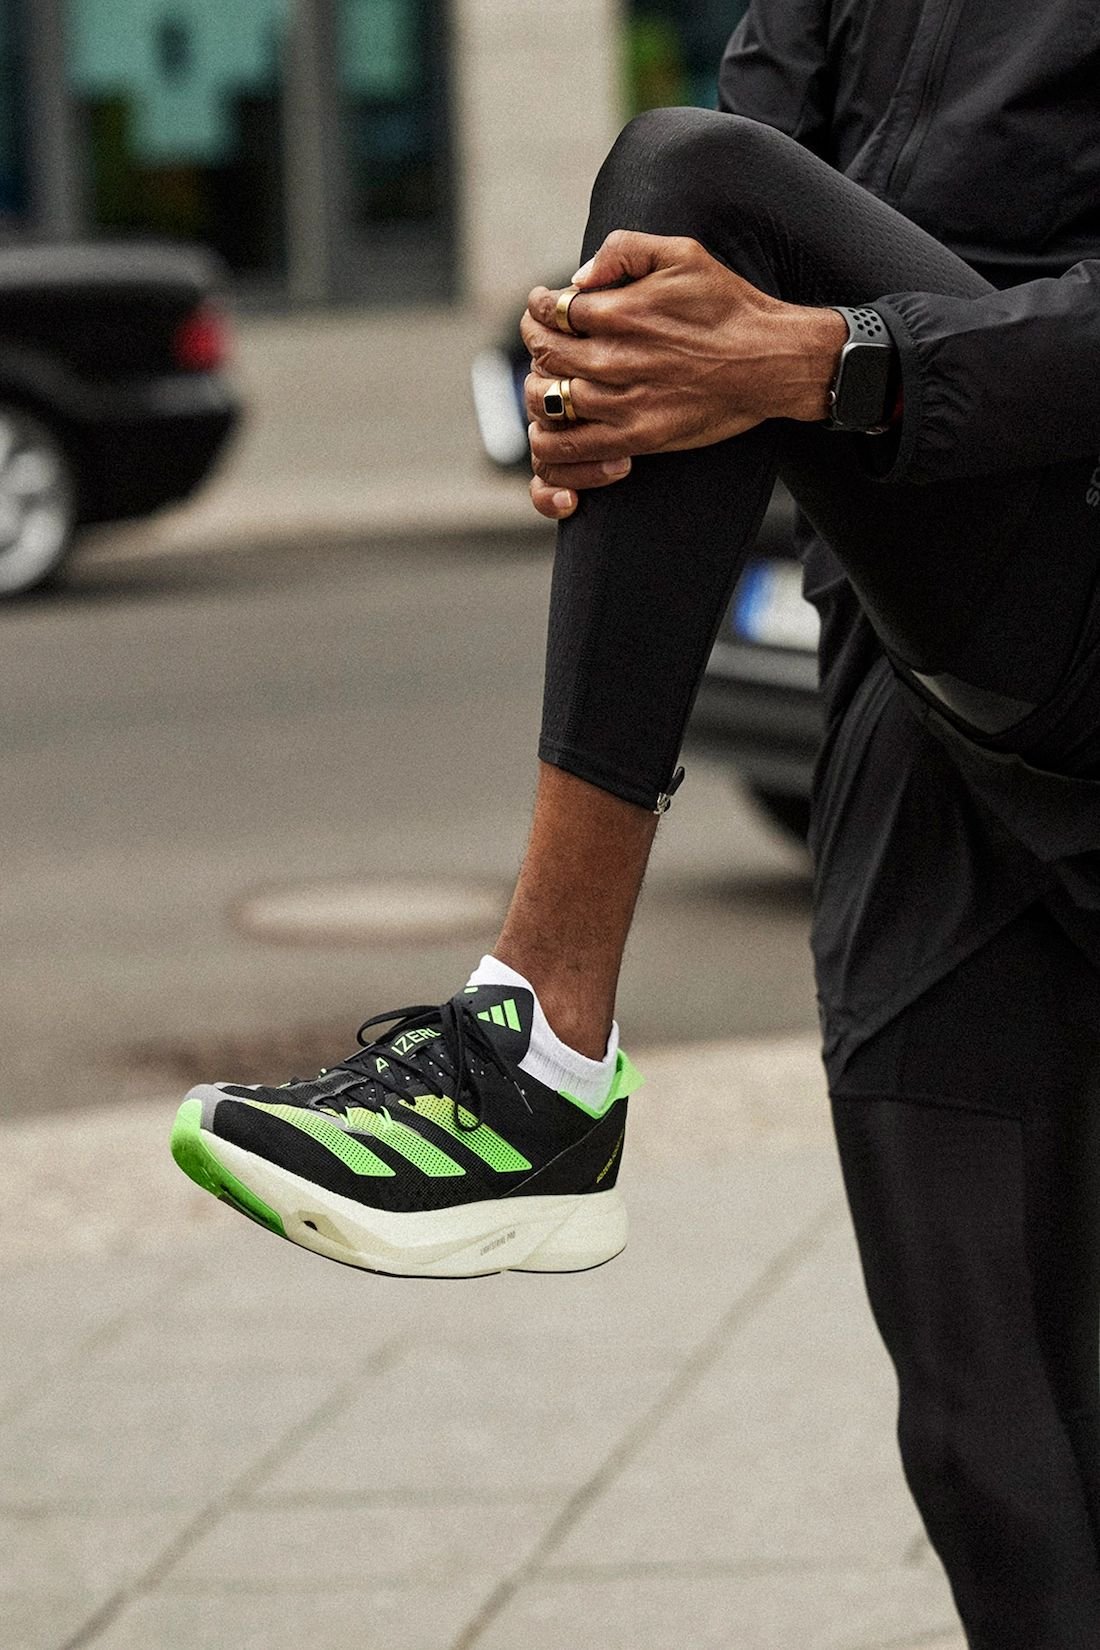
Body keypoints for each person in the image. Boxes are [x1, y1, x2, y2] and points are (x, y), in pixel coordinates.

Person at [171, 2, 1100, 1642]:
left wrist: (833, 362)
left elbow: (739, 229)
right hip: (916, 680)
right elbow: (712, 258)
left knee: (688, 179)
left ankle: (541, 1041)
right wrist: (603, 373)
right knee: (981, 1432)